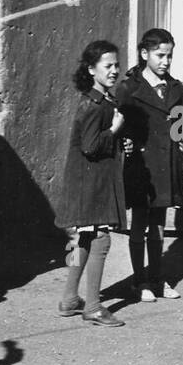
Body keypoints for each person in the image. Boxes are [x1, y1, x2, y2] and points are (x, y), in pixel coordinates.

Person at [56, 40, 130, 327]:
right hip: (91, 183)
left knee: (84, 239)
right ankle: (94, 307)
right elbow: (90, 146)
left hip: (89, 180)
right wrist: (114, 130)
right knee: (101, 239)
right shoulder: (93, 105)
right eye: (107, 66)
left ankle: (69, 299)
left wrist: (119, 140)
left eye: (116, 65)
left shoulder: (102, 100)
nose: (114, 70)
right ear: (91, 69)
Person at [116, 28, 183, 301]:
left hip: (165, 165)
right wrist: (126, 142)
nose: (165, 62)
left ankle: (157, 278)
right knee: (139, 223)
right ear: (145, 54)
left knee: (158, 224)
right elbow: (118, 122)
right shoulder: (129, 89)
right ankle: (139, 280)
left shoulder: (176, 88)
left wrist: (180, 145)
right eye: (160, 56)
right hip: (141, 167)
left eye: (169, 56)